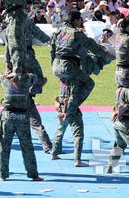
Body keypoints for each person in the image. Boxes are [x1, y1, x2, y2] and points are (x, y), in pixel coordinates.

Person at [49, 10, 111, 167]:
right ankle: (73, 105)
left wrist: (54, 66)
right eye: (80, 20)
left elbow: (52, 50)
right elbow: (90, 44)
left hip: (57, 66)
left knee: (64, 114)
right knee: (89, 83)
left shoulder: (58, 31)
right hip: (70, 67)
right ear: (75, 20)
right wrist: (104, 52)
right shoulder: (76, 34)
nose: (81, 22)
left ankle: (54, 151)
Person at [0, 0, 50, 79]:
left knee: (15, 43)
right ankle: (13, 67)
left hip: (16, 14)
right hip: (14, 14)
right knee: (10, 41)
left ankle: (17, 70)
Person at [0, 70, 43, 182]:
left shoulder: (5, 79)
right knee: (27, 146)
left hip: (8, 115)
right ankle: (33, 174)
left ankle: (3, 174)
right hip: (22, 116)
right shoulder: (27, 79)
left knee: (4, 146)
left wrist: (8, 73)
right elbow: (35, 78)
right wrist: (22, 73)